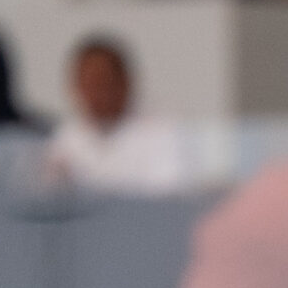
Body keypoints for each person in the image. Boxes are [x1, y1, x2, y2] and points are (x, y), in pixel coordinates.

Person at [47, 36, 189, 193]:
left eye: (102, 83)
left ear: (125, 82)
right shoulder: (68, 136)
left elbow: (165, 197)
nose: (96, 93)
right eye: (88, 84)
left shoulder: (162, 132)